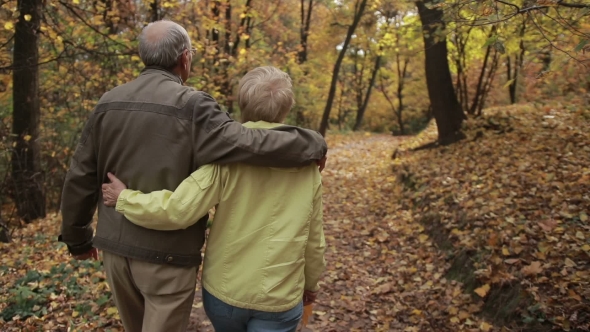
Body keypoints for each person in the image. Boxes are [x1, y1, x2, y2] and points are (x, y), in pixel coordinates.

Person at [59, 20, 327, 332]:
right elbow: (248, 141)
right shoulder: (193, 105)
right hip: (167, 257)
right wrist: (312, 142)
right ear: (185, 58)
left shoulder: (108, 101)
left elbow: (81, 173)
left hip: (115, 251)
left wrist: (77, 238)